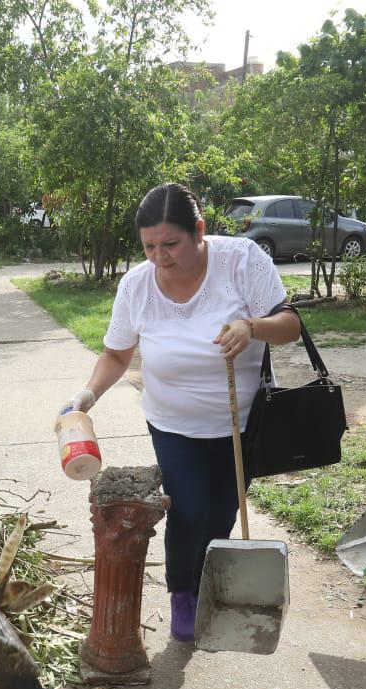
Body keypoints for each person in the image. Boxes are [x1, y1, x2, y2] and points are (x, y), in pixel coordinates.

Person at [61, 183, 303, 642]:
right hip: (172, 423)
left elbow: (290, 325)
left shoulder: (243, 262)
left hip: (240, 423)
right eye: (149, 246)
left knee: (222, 511)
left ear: (199, 231)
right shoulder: (136, 285)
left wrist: (251, 327)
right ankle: (183, 595)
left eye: (170, 244)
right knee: (189, 510)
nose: (159, 257)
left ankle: (212, 584)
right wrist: (88, 395)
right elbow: (116, 354)